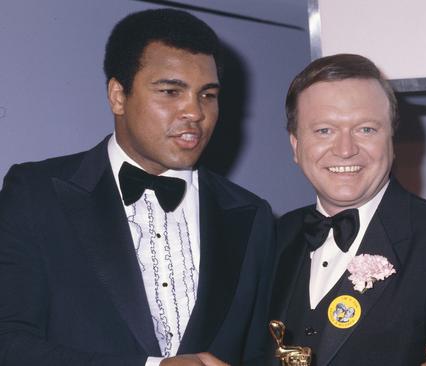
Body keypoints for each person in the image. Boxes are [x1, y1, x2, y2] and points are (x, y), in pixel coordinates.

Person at [0, 8, 274, 366]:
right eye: (170, 91)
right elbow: (9, 343)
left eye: (207, 95)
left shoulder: (252, 215)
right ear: (117, 95)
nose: (194, 112)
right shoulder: (36, 194)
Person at [267, 53, 426, 365]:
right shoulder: (273, 238)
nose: (345, 149)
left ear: (391, 138)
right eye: (324, 130)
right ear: (296, 146)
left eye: (365, 129)